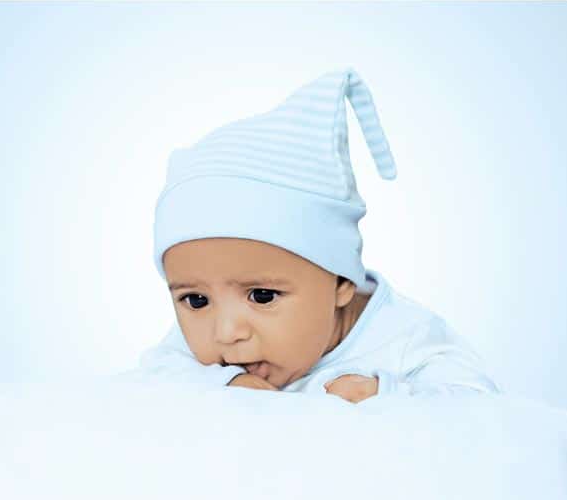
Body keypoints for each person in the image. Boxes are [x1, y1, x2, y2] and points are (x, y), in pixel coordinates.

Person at [137, 67, 502, 404]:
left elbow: (478, 403)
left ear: (342, 279)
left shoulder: (407, 338)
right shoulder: (203, 339)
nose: (227, 331)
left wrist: (386, 396)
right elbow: (155, 372)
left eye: (261, 296)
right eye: (196, 300)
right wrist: (222, 386)